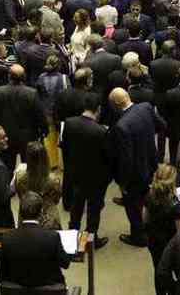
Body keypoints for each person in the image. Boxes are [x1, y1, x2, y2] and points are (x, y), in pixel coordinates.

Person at [109, 88, 162, 247]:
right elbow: (161, 124)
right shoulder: (146, 107)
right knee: (149, 199)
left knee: (133, 207)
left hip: (135, 175)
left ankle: (138, 237)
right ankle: (151, 227)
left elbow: (127, 160)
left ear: (116, 104)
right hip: (151, 164)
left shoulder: (121, 125)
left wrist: (123, 184)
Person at [62, 92, 111, 248]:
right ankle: (91, 239)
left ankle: (72, 237)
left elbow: (66, 147)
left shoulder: (69, 123)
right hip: (96, 177)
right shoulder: (101, 131)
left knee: (76, 207)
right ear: (98, 109)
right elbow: (107, 157)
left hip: (75, 173)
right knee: (93, 209)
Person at [0, 191, 71, 287]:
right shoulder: (52, 237)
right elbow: (65, 263)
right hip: (48, 291)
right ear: (40, 213)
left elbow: (0, 273)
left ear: (20, 212)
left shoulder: (6, 238)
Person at [0, 64, 46, 169]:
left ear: (9, 76)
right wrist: (44, 130)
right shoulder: (32, 93)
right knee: (29, 169)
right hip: (27, 138)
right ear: (24, 77)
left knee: (7, 168)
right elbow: (40, 115)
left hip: (4, 137)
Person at [144, 164, 180, 295]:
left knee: (158, 270)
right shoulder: (176, 207)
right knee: (175, 272)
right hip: (171, 245)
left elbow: (145, 218)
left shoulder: (149, 196)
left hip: (153, 242)